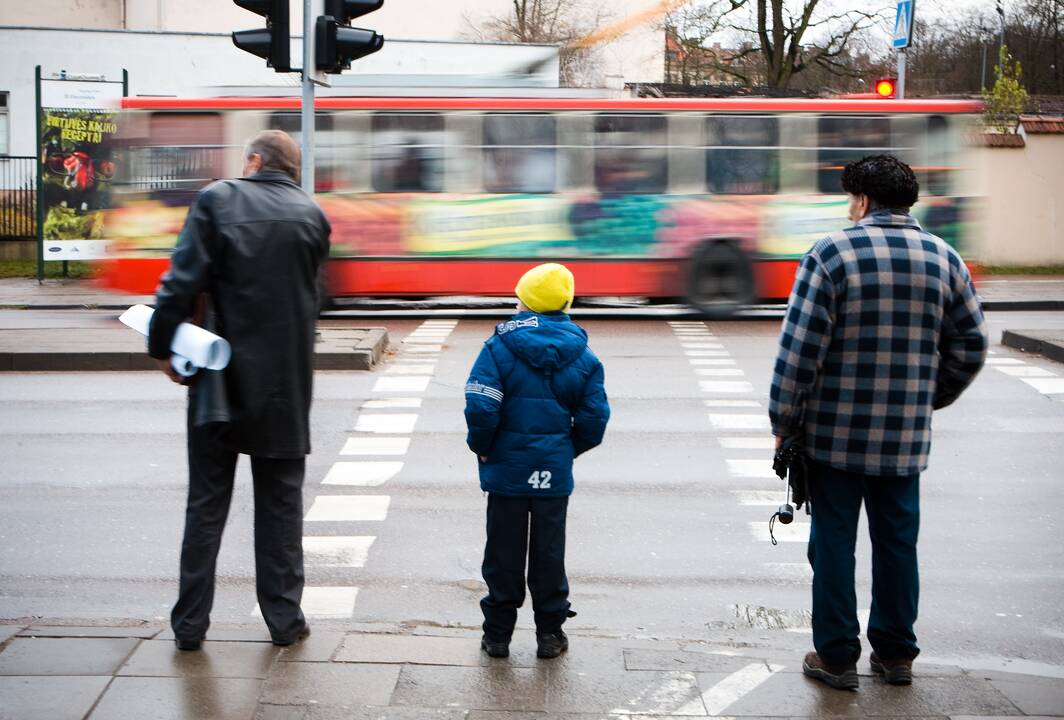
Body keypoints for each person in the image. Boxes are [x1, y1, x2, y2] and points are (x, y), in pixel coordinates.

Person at [769, 155, 988, 690]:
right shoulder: (944, 258)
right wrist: (926, 398)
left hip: (833, 438)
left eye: (851, 199)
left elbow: (799, 353)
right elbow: (972, 345)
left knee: (833, 546)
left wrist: (784, 420)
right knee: (897, 545)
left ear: (862, 200)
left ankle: (838, 656)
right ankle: (895, 655)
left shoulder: (830, 254)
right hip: (904, 441)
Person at [148, 130, 331, 651]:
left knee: (206, 504)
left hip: (219, 384)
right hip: (286, 388)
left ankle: (189, 628)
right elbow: (313, 298)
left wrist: (162, 346)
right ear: (291, 172)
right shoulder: (312, 216)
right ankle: (285, 622)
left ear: (253, 161)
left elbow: (180, 284)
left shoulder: (217, 199)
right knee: (280, 507)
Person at [464, 263, 610, 659]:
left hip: (506, 471)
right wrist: (567, 449)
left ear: (523, 300)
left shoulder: (498, 347)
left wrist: (482, 445)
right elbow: (595, 419)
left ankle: (497, 635)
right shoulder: (584, 355)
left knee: (502, 552)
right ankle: (550, 634)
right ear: (566, 302)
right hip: (553, 472)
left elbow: (482, 405)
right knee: (549, 552)